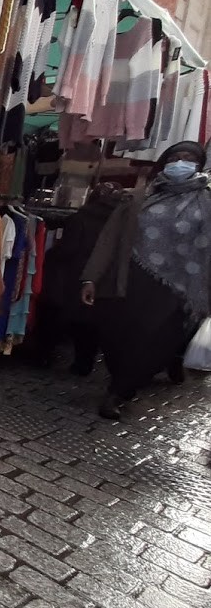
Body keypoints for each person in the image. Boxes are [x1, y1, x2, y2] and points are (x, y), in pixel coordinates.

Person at [82, 141, 211, 419]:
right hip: (130, 281)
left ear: (200, 165)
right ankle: (120, 379)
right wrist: (91, 278)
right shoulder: (139, 198)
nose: (181, 162)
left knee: (154, 344)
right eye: (175, 157)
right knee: (117, 338)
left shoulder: (207, 203)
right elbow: (109, 239)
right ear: (164, 162)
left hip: (177, 290)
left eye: (189, 158)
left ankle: (120, 392)